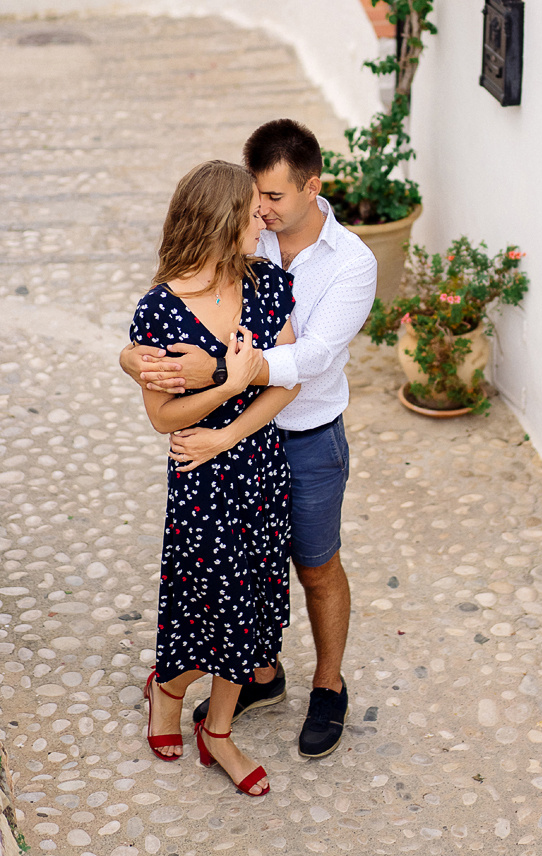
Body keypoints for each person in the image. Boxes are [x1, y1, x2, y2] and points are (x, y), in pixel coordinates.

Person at [120, 120, 377, 758]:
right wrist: (133, 357)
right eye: (254, 196)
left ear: (311, 189)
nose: (261, 209)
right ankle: (260, 675)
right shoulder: (246, 248)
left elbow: (309, 360)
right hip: (234, 452)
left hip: (308, 437)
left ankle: (327, 684)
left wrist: (216, 374)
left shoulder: (352, 264)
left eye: (274, 199)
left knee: (315, 568)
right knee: (239, 574)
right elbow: (175, 312)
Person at [129, 159, 299, 796]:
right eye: (254, 211)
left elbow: (290, 377)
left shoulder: (265, 284)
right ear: (225, 221)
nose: (265, 221)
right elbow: (163, 416)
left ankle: (219, 730)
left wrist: (231, 421)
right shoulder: (159, 312)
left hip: (256, 466)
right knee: (207, 605)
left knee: (250, 609)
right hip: (201, 482)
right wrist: (225, 385)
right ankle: (169, 687)